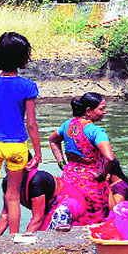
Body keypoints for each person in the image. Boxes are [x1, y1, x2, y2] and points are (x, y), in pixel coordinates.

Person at [0, 32, 42, 235]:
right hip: (17, 146)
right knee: (13, 196)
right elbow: (32, 124)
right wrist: (38, 154)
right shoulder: (28, 86)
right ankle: (14, 240)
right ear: (22, 58)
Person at [48, 92, 115, 225]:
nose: (105, 112)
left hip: (69, 177)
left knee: (73, 211)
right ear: (88, 111)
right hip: (91, 181)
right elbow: (110, 158)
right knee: (94, 217)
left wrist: (61, 162)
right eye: (101, 109)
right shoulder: (96, 131)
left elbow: (52, 140)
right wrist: (102, 176)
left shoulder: (68, 124)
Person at [0, 157, 61, 235]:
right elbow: (6, 214)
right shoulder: (7, 182)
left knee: (48, 231)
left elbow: (38, 219)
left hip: (63, 200)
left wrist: (24, 238)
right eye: (8, 166)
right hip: (44, 209)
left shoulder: (36, 182)